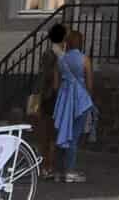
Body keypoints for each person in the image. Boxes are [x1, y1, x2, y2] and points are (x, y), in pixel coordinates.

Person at [52, 27, 95, 184]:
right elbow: (90, 84)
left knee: (61, 134)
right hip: (80, 101)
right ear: (81, 43)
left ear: (68, 43)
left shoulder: (60, 60)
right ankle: (69, 171)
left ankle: (58, 171)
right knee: (74, 137)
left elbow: (55, 85)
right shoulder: (85, 60)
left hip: (64, 100)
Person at [33, 21, 67, 177]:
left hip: (49, 97)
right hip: (59, 97)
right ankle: (50, 166)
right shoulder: (64, 55)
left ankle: (46, 166)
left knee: (46, 134)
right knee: (53, 134)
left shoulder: (49, 54)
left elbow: (43, 78)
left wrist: (37, 96)